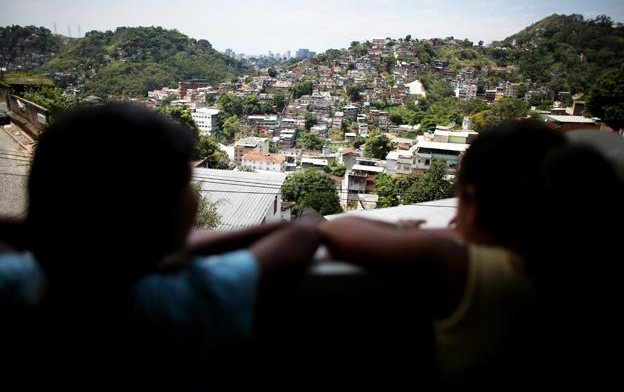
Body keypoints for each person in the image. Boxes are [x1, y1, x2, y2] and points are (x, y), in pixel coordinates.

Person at [0, 103, 320, 386]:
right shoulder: (184, 300)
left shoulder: (15, 284)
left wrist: (47, 235)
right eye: (187, 186)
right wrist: (181, 248)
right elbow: (301, 234)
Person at [320, 120, 623, 384]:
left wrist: (403, 229)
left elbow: (336, 230)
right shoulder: (581, 274)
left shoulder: (460, 263)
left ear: (472, 202)